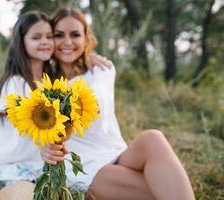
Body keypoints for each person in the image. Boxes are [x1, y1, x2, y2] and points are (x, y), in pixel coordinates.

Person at [40, 7, 196, 200]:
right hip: (83, 163)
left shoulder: (101, 70)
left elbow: (92, 100)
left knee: (153, 138)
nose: (67, 42)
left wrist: (88, 57)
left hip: (116, 153)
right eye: (59, 35)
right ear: (49, 38)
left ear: (86, 39)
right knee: (159, 190)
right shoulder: (41, 79)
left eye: (75, 35)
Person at [0, 10, 111, 187]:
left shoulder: (50, 80)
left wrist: (88, 55)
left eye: (49, 36)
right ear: (22, 43)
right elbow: (24, 123)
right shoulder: (15, 82)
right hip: (9, 165)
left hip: (38, 164)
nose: (45, 42)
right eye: (36, 38)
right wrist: (42, 143)